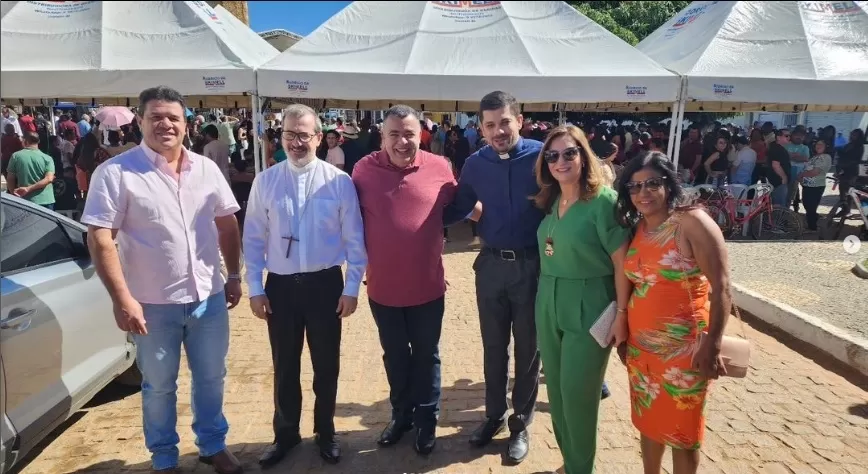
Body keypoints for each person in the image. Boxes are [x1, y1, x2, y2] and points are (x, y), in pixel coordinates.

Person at [81, 86, 243, 474]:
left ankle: (212, 443)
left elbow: (227, 223)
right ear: (139, 122)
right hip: (151, 303)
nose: (165, 124)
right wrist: (122, 298)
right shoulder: (116, 173)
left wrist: (234, 275)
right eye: (155, 117)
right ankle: (165, 458)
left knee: (211, 376)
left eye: (173, 117)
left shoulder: (205, 168)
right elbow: (101, 237)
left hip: (208, 296)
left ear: (186, 125)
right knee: (159, 386)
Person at [243, 104, 367, 468]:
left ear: (319, 137)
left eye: (304, 135)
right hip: (280, 287)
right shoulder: (265, 181)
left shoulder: (338, 182)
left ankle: (325, 433)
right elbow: (252, 238)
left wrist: (352, 288)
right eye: (289, 135)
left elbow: (355, 240)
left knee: (326, 365)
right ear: (281, 138)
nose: (297, 142)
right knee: (284, 366)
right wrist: (254, 286)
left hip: (325, 285)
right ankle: (285, 434)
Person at [352, 105, 464, 456]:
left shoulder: (440, 169)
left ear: (421, 135)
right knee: (396, 356)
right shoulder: (362, 171)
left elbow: (462, 206)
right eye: (394, 134)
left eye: (409, 134)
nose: (403, 141)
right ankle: (402, 416)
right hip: (383, 289)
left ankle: (427, 421)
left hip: (427, 288)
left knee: (427, 357)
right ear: (382, 136)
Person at [616, 152, 731, 474]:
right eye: (635, 187)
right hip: (642, 349)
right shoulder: (638, 227)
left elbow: (721, 288)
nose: (643, 193)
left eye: (652, 183)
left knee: (683, 433)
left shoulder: (692, 222)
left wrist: (713, 345)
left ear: (670, 183)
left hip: (686, 351)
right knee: (649, 422)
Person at [444, 90, 542, 464]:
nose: (498, 130)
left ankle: (520, 424)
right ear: (481, 128)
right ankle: (493, 416)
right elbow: (457, 205)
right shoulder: (474, 164)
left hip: (533, 266)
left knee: (528, 350)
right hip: (490, 266)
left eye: (505, 122)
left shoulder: (543, 156)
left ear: (519, 120)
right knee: (493, 347)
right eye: (490, 125)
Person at [532, 126, 631, 474]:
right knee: (557, 392)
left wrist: (622, 313)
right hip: (549, 303)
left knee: (579, 394)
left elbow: (622, 263)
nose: (561, 161)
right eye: (553, 155)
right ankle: (570, 461)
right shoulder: (553, 200)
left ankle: (580, 469)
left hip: (590, 305)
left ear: (584, 155)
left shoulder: (603, 201)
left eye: (570, 152)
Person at [6, 132, 56, 209]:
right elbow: (49, 179)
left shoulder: (16, 156)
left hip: (25, 200)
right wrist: (29, 189)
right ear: (38, 141)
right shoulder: (47, 158)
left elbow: (10, 178)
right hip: (46, 200)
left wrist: (14, 193)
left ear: (25, 141)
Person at [797, 139, 832, 231]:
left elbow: (815, 172)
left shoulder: (825, 157)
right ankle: (812, 222)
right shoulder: (815, 157)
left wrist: (802, 175)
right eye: (817, 144)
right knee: (807, 205)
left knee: (811, 206)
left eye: (821, 144)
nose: (818, 146)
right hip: (807, 185)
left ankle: (812, 227)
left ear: (826, 147)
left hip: (816, 186)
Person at [767, 129, 792, 207]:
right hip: (778, 181)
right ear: (778, 137)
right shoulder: (777, 149)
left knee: (777, 204)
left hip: (775, 180)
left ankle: (777, 218)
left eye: (789, 136)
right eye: (786, 136)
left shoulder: (775, 147)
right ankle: (777, 219)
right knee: (779, 205)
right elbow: (775, 165)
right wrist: (783, 177)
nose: (789, 138)